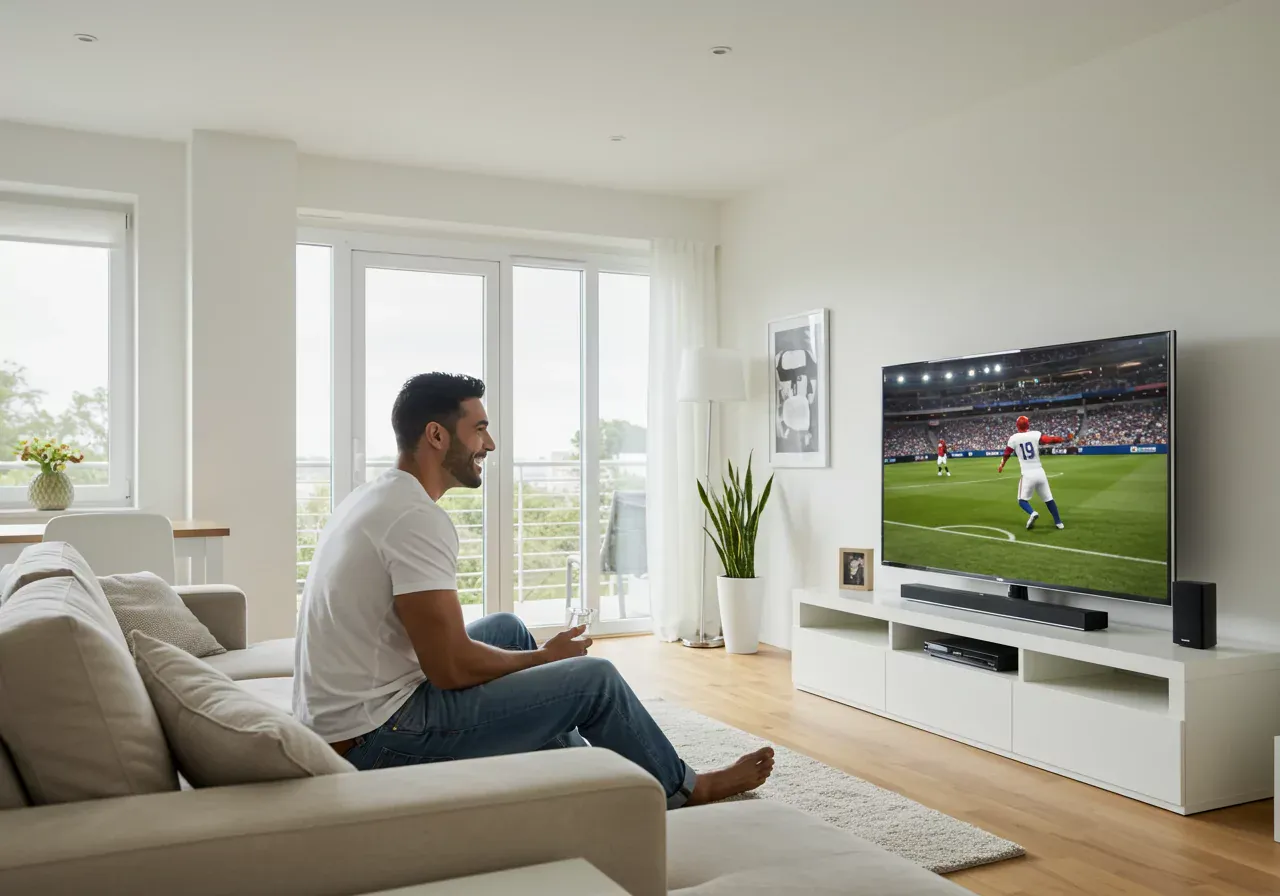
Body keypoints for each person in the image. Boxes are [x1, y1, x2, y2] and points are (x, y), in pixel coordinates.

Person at [294, 372, 773, 809]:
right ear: (437, 436)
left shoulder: (378, 495)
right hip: (376, 741)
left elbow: (442, 656)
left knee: (507, 628)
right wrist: (543, 660)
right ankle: (686, 789)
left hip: (353, 720)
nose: (491, 443)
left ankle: (579, 769)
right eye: (479, 428)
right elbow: (450, 667)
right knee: (594, 679)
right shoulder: (415, 519)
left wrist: (535, 656)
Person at [997, 415, 1067, 530]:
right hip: (1040, 472)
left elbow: (1006, 453)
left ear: (1017, 426)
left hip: (1027, 473)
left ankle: (1032, 513)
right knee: (1049, 499)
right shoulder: (1035, 434)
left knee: (1022, 500)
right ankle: (1059, 522)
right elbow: (1049, 440)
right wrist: (1062, 439)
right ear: (1028, 425)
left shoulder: (1014, 438)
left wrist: (1002, 465)